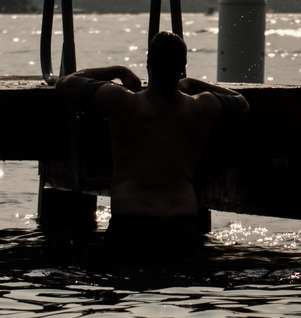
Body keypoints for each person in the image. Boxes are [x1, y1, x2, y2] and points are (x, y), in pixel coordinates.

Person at [55, 31, 248, 265]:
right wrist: (191, 83)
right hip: (181, 224)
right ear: (182, 67)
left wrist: (118, 71)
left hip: (130, 222)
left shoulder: (121, 102)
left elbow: (64, 83)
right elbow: (241, 102)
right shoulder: (201, 106)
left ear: (149, 64)